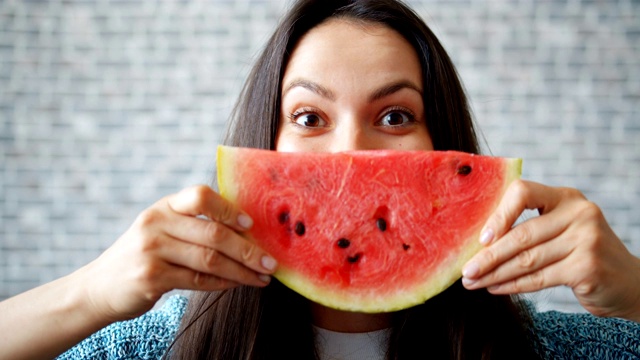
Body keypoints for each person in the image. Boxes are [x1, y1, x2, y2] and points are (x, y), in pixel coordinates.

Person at [1, 0, 639, 359]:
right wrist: (90, 295)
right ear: (265, 141)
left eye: (395, 115)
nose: (351, 153)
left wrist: (636, 291)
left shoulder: (545, 350)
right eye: (309, 116)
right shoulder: (172, 345)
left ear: (443, 142)